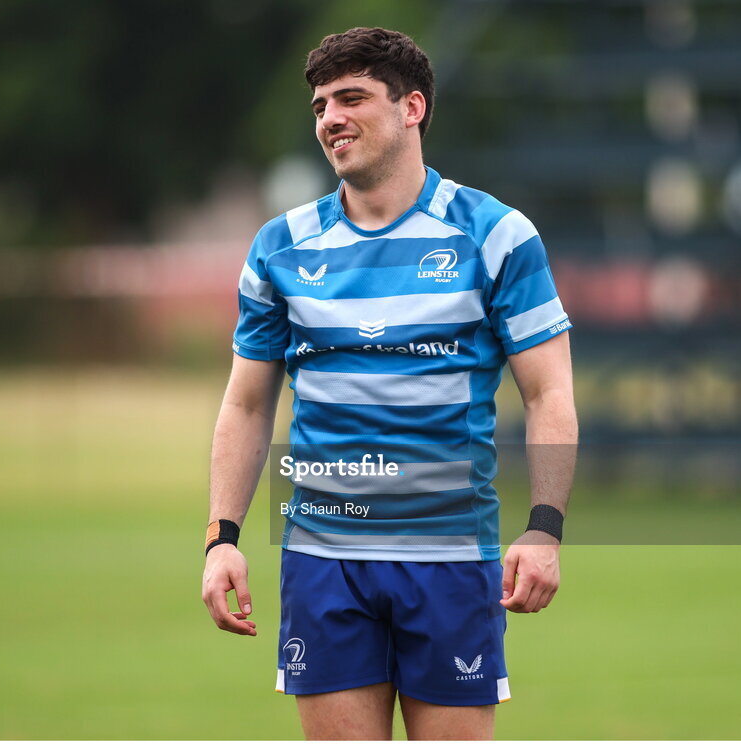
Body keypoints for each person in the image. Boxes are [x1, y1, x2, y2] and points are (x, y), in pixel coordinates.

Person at [202, 27, 577, 740]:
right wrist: (221, 538)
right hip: (322, 561)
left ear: (411, 108)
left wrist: (543, 529)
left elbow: (548, 394)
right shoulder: (279, 247)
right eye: (318, 106)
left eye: (350, 98)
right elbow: (246, 404)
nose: (329, 119)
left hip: (448, 558)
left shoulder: (496, 234)